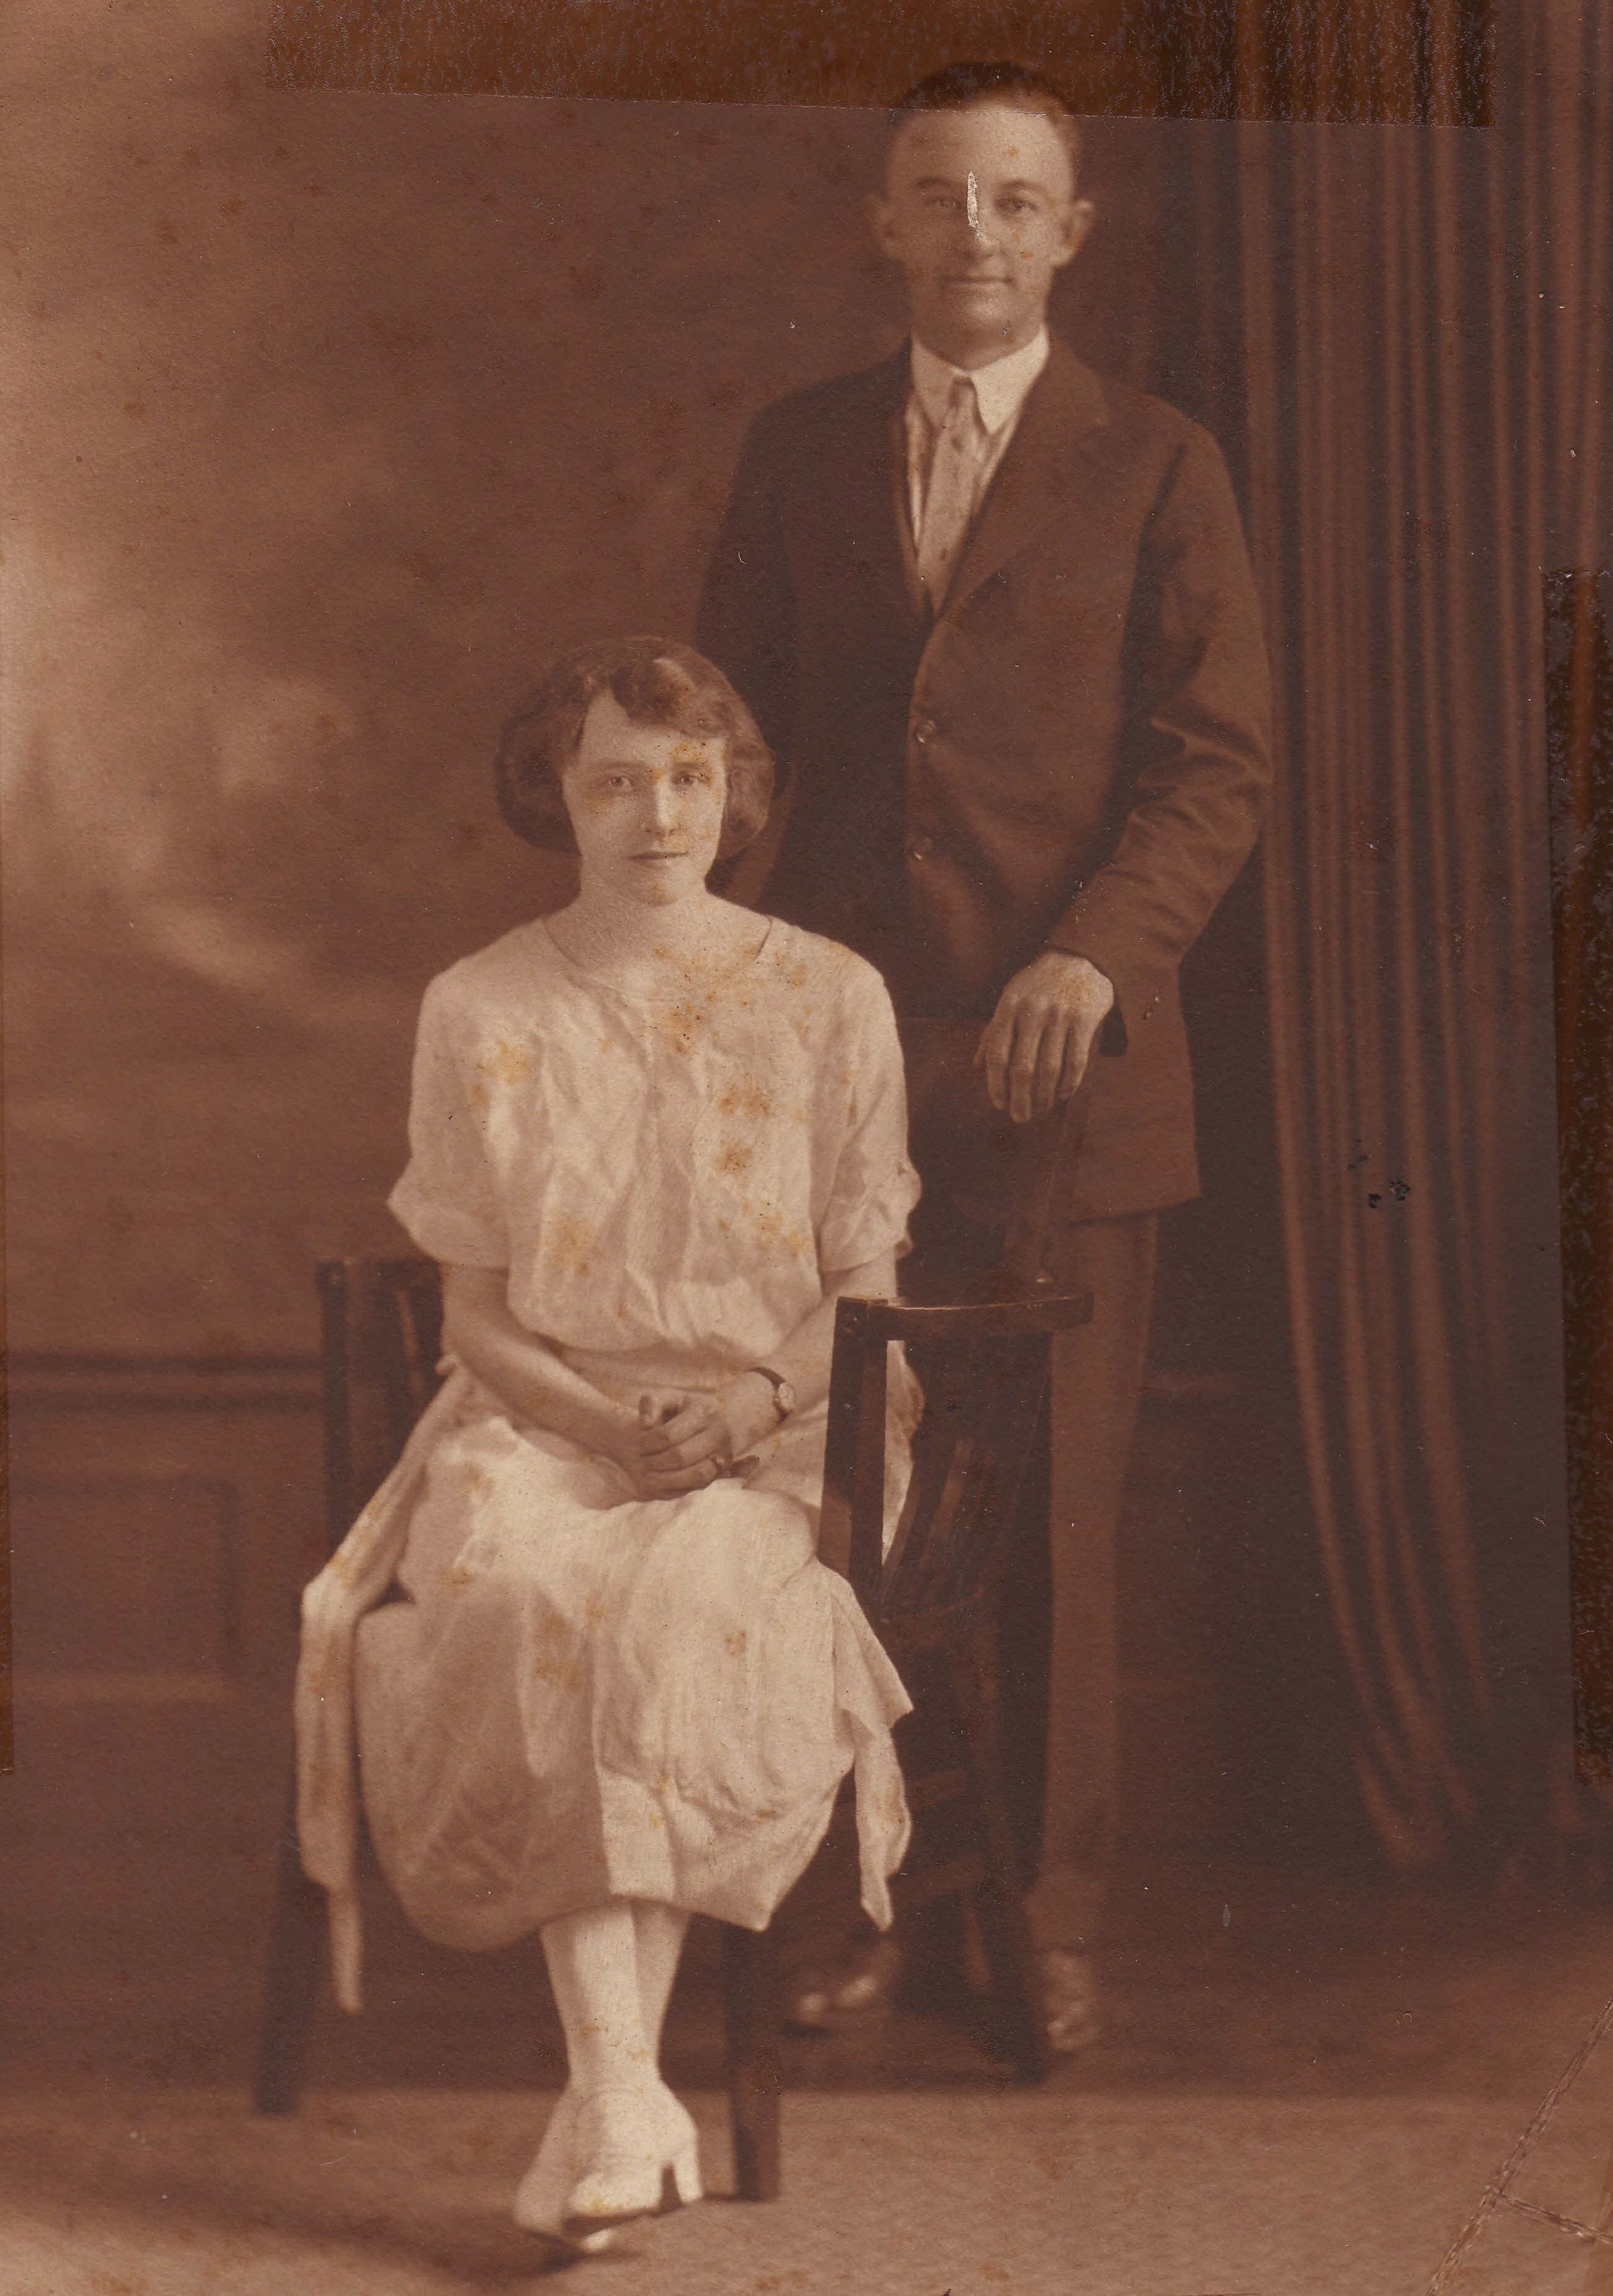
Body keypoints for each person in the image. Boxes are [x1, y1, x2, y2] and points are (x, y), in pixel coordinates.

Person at [696, 62, 1272, 2051]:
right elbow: (735, 748)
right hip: (839, 1080)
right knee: (839, 1500)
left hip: (1066, 1081)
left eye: (1015, 199)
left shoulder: (1159, 462)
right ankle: (857, 1900)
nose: (976, 231)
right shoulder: (799, 449)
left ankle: (1038, 1920)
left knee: (1043, 1529)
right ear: (883, 224)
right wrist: (713, 991)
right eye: (937, 194)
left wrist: (1092, 956)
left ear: (1070, 234)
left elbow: (1216, 765)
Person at [294, 637, 921, 2252]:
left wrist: (749, 1404)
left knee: (670, 1611)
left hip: (795, 1421)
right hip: (546, 1420)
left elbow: (864, 1292)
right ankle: (629, 2093)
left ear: (737, 792)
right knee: (531, 1594)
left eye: (692, 778)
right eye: (618, 781)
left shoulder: (831, 994)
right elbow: (478, 1314)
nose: (662, 815)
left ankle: (609, 2101)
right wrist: (603, 1424)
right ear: (556, 797)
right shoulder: (481, 1004)